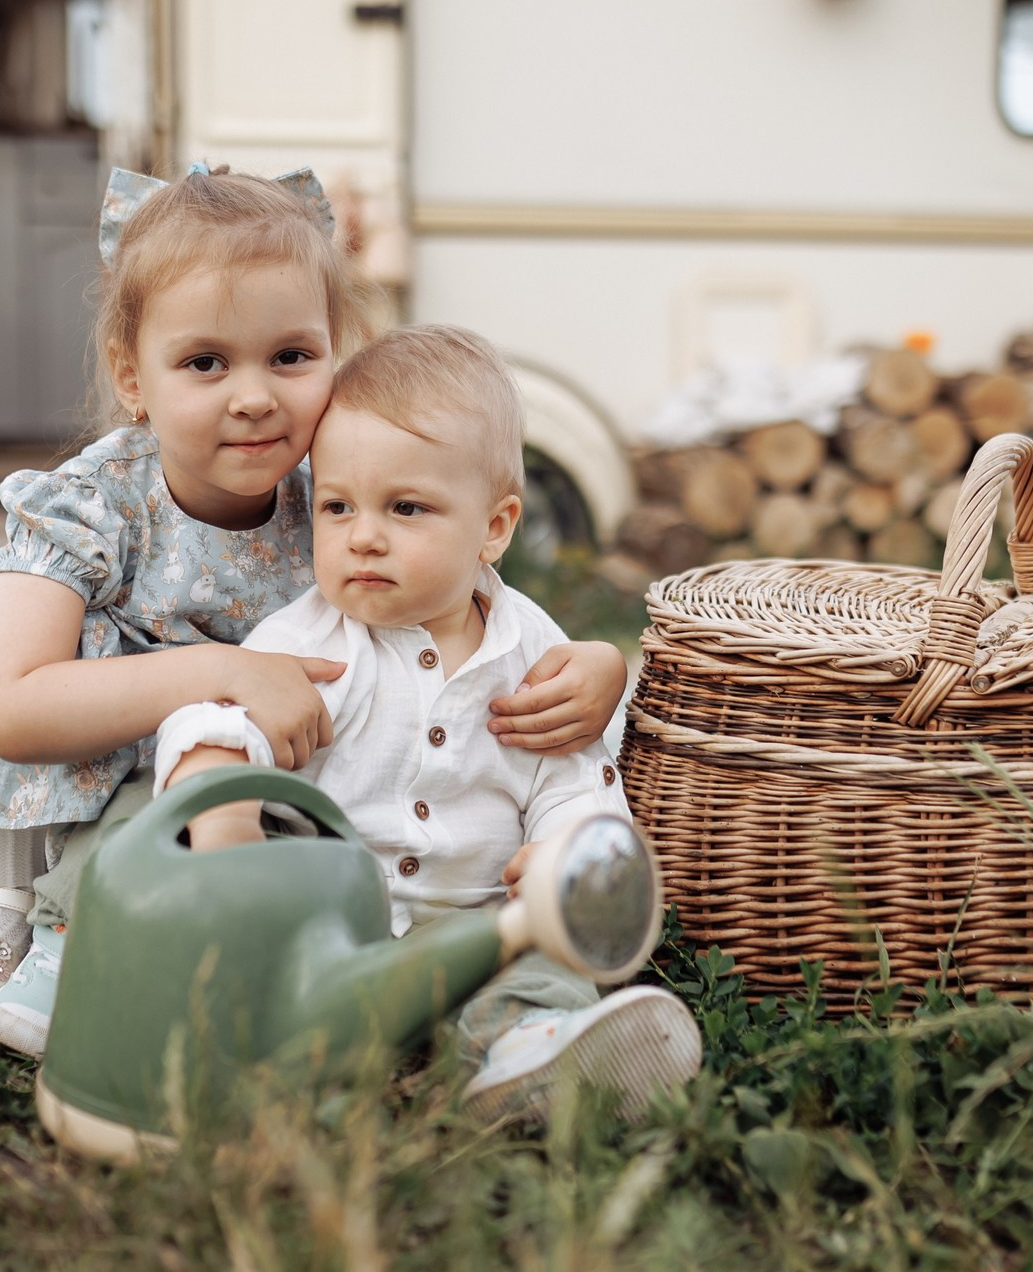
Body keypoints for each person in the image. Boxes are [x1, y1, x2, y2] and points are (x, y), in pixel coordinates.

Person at [0, 166, 633, 1056]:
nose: (254, 396)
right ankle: (23, 917)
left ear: (337, 354)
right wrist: (226, 670)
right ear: (133, 378)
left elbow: (462, 579)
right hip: (83, 755)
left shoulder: (342, 486)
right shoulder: (91, 505)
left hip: (266, 768)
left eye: (290, 356)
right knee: (118, 797)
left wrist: (594, 664)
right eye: (205, 362)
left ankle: (512, 1027)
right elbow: (11, 707)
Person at [152, 325, 702, 1124]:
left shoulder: (534, 652)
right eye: (338, 506)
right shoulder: (307, 646)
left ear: (495, 528)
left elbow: (571, 774)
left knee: (544, 962)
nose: (363, 535)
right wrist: (220, 795)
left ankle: (523, 1049)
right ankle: (308, 1060)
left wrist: (565, 847)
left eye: (407, 508)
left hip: (482, 927)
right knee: (264, 967)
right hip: (334, 931)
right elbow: (218, 724)